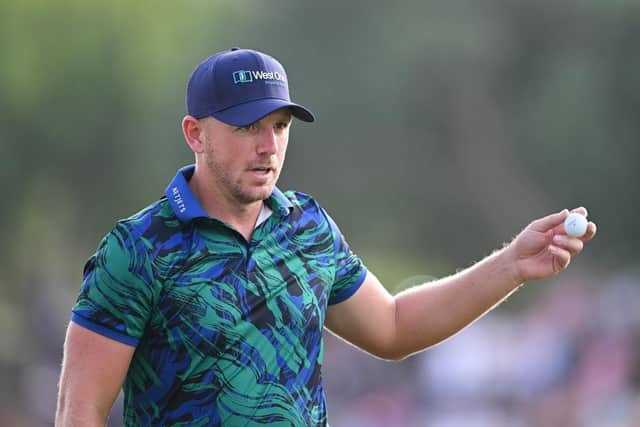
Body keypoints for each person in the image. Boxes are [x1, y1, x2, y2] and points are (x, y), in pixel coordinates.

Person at [55, 47, 597, 426]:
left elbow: (393, 327)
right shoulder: (138, 248)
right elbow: (79, 411)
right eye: (247, 127)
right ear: (195, 133)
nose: (268, 146)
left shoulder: (308, 228)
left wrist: (512, 264)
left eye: (280, 126)